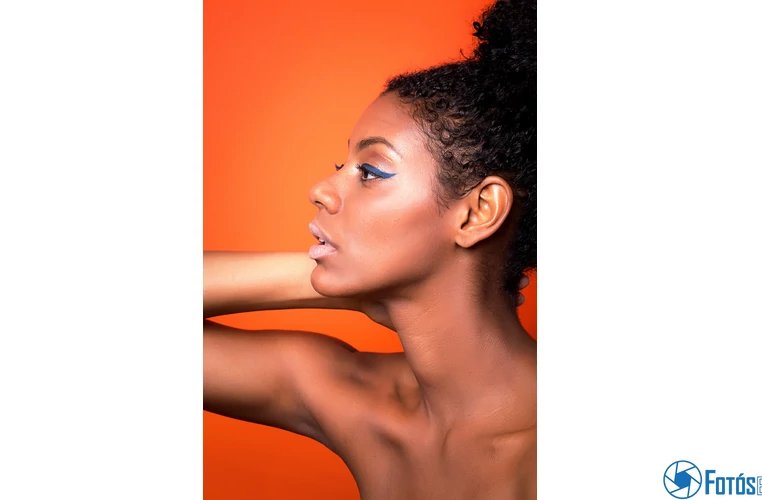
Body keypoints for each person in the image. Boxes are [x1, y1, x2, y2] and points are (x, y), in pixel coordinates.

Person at [204, 0, 536, 498]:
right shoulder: (364, 403)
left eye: (371, 172)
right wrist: (342, 285)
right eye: (342, 166)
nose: (322, 189)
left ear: (477, 211)